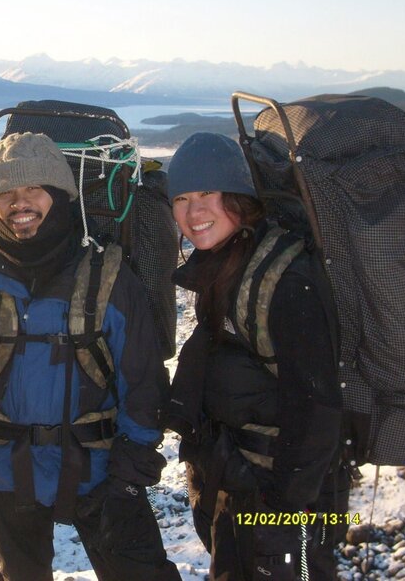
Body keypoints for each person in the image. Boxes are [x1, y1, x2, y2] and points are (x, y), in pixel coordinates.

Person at [0, 132, 181, 581]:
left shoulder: (110, 279)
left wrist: (129, 475)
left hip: (102, 468)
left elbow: (143, 382)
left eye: (33, 189)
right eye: (5, 193)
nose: (20, 202)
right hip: (4, 473)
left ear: (60, 194)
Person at [165, 133, 349, 580]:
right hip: (236, 483)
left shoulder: (284, 279)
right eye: (183, 198)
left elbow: (318, 406)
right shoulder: (228, 265)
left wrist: (280, 511)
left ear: (239, 196)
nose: (194, 212)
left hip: (280, 502)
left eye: (207, 193)